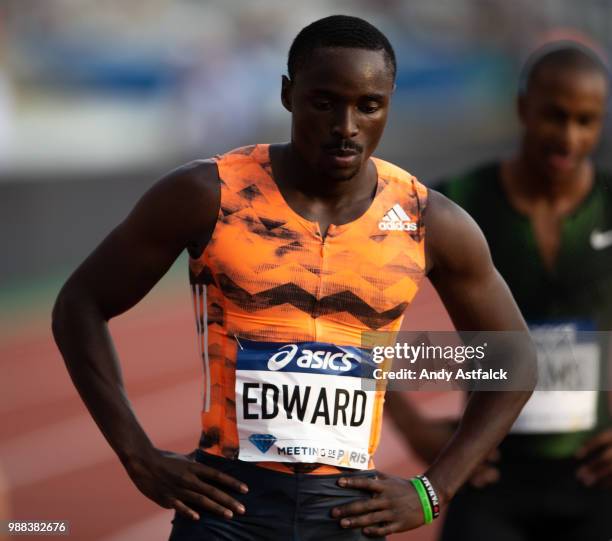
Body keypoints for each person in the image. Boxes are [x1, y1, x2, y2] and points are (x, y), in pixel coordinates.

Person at [52, 15, 534, 540]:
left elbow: (516, 359)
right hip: (225, 509)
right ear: (288, 94)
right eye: (324, 102)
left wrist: (432, 491)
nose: (346, 125)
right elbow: (80, 304)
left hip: (348, 514)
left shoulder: (428, 220)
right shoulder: (208, 194)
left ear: (388, 102)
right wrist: (137, 455)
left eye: (368, 106)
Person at [387, 42, 612, 540]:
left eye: (586, 121)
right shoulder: (458, 202)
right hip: (489, 474)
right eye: (555, 115)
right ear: (522, 109)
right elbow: (357, 301)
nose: (569, 137)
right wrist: (411, 425)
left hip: (597, 477)